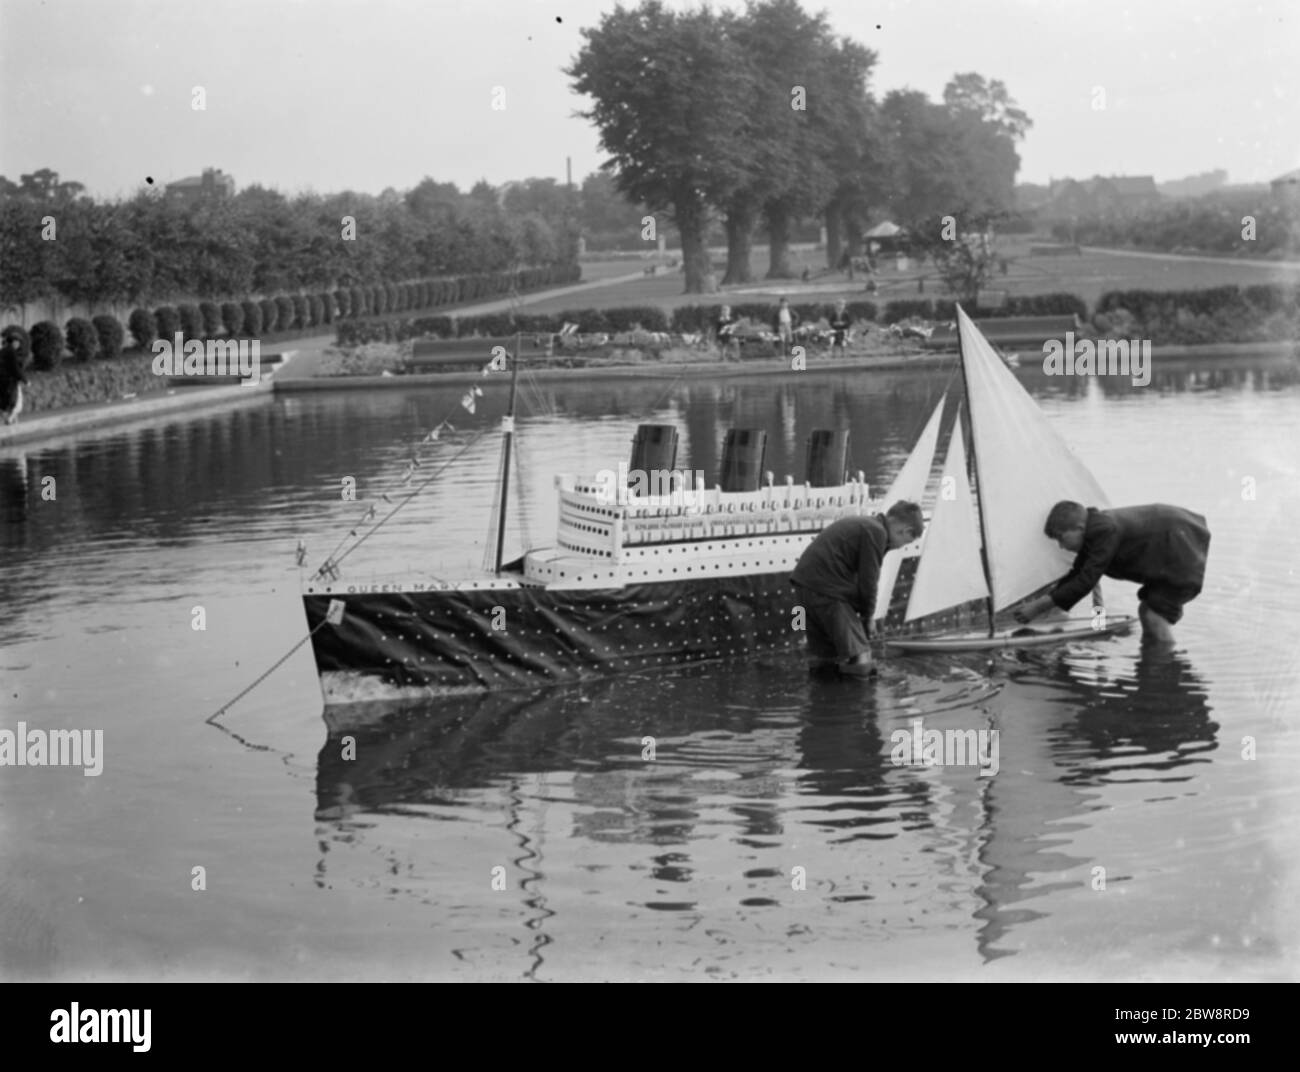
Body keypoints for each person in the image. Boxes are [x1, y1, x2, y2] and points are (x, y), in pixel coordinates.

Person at [1014, 501, 1211, 645]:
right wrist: (1049, 601)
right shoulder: (1093, 532)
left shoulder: (1103, 531)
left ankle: (1164, 667)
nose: (1061, 546)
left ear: (1079, 528)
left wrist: (1040, 606)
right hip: (1171, 548)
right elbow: (1078, 573)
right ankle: (1154, 664)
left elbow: (1087, 580)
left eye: (1061, 538)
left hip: (1180, 546)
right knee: (1147, 611)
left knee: (1154, 616)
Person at [790, 501, 926, 677]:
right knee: (862, 657)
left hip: (803, 586)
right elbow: (868, 582)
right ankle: (862, 702)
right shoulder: (876, 532)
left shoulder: (866, 525)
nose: (900, 547)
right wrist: (868, 618)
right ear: (905, 530)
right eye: (905, 542)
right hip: (826, 590)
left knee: (825, 657)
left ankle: (823, 699)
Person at [0, 332, 27, 426]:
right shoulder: (11, 352)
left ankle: (12, 422)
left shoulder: (3, 350)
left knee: (6, 404)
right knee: (16, 404)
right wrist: (25, 380)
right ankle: (9, 419)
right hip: (10, 381)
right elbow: (15, 369)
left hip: (3, 381)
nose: (19, 344)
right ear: (14, 342)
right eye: (18, 342)